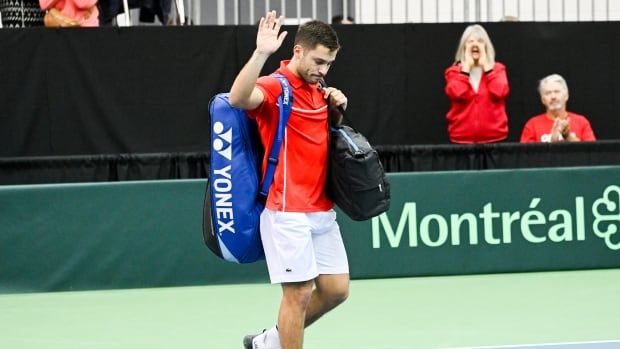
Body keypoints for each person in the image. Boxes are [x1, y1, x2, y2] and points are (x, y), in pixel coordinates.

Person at [229, 11, 350, 349]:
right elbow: (238, 98)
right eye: (318, 61)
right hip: (286, 210)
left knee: (336, 290)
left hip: (321, 209)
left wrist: (336, 107)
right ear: (298, 51)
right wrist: (261, 53)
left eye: (328, 64)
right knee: (297, 295)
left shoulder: (319, 88)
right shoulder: (274, 86)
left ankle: (269, 341)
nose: (323, 70)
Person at [444, 24, 510, 143]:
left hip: (495, 140)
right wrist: (466, 69)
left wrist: (487, 68)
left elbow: (500, 92)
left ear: (486, 46)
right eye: (470, 42)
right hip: (461, 140)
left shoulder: (498, 69)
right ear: (463, 47)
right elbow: (457, 93)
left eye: (480, 41)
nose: (475, 45)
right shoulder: (453, 72)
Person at [520, 74, 596, 143]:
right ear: (543, 100)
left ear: (566, 96)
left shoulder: (581, 122)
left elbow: (591, 153)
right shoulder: (532, 125)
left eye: (557, 92)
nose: (553, 97)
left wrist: (568, 137)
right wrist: (551, 142)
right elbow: (526, 156)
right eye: (548, 93)